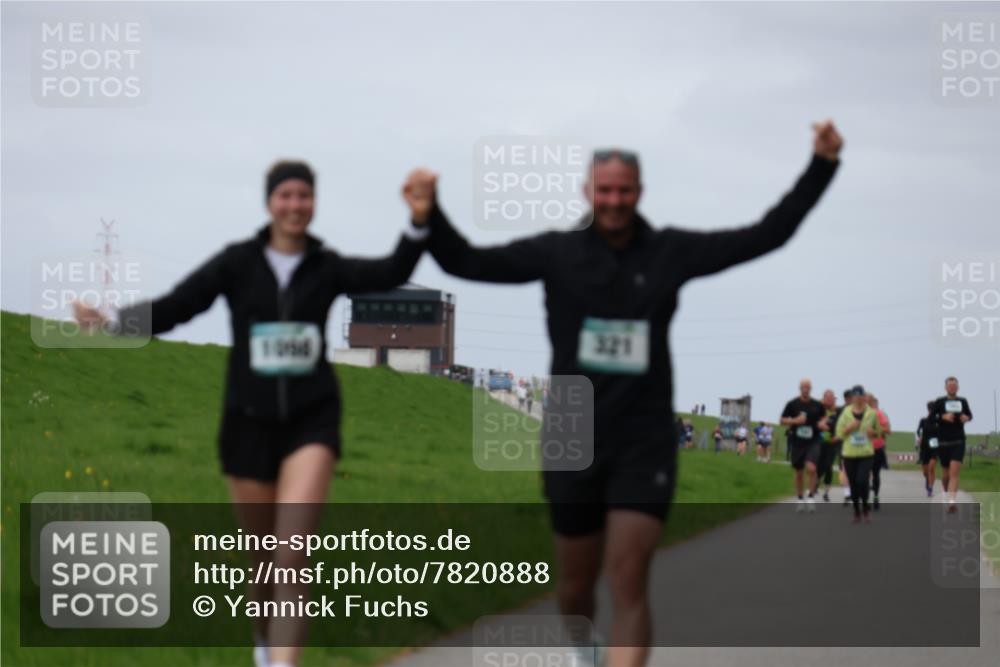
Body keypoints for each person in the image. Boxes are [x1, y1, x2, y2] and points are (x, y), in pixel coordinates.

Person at [407, 121, 842, 665]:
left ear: (639, 193)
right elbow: (466, 261)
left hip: (644, 435)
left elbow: (766, 233)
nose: (614, 201)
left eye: (625, 191)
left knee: (628, 575)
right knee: (574, 585)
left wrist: (822, 166)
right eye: (605, 190)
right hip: (573, 427)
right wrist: (429, 214)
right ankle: (582, 647)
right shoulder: (555, 254)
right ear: (588, 191)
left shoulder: (669, 253)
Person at [74, 161, 429, 667]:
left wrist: (418, 223)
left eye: (304, 195)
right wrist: (112, 323)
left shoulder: (327, 266)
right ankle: (265, 649)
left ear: (314, 203)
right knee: (262, 567)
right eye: (285, 195)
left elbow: (389, 272)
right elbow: (179, 305)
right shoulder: (237, 263)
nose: (295, 205)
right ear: (269, 203)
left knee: (292, 557)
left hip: (312, 421)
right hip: (247, 423)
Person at [780, 378, 827, 513]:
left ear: (810, 389)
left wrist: (822, 423)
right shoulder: (792, 404)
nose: (805, 389)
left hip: (813, 441)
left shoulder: (817, 405)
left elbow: (824, 417)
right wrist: (795, 420)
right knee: (799, 471)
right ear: (800, 388)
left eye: (808, 387)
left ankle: (811, 497)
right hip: (797, 442)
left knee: (811, 468)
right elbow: (782, 420)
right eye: (803, 387)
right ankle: (800, 499)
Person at [837, 385, 882, 523]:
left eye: (860, 396)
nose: (858, 398)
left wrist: (872, 433)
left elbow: (879, 432)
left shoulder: (872, 413)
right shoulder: (846, 413)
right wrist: (849, 428)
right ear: (852, 398)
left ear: (864, 397)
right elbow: (839, 433)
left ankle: (866, 508)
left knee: (862, 481)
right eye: (855, 396)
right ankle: (857, 510)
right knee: (853, 484)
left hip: (866, 454)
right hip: (849, 454)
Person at [932, 376, 974, 513]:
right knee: (945, 475)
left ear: (958, 387)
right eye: (950, 385)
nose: (952, 388)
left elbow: (970, 415)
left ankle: (951, 502)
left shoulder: (962, 401)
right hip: (944, 441)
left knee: (954, 471)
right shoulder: (939, 402)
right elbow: (931, 418)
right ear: (946, 388)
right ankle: (945, 493)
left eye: (954, 385)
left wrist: (966, 418)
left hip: (958, 441)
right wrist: (942, 417)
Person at [866, 394, 891, 510]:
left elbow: (887, 429)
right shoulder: (856, 413)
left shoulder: (879, 413)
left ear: (871, 401)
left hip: (876, 448)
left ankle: (875, 496)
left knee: (875, 474)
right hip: (861, 449)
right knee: (863, 475)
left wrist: (875, 432)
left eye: (867, 400)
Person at [815, 389, 840, 502]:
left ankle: (825, 492)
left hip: (832, 442)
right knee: (819, 464)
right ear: (824, 398)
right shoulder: (818, 409)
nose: (830, 400)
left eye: (832, 398)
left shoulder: (838, 411)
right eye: (827, 397)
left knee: (828, 465)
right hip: (819, 441)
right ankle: (816, 482)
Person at [916, 400, 938, 497]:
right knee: (925, 471)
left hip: (934, 446)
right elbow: (918, 431)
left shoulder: (938, 421)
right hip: (924, 447)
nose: (931, 411)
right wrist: (920, 438)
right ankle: (927, 480)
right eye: (930, 409)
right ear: (928, 410)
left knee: (931, 468)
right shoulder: (923, 420)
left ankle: (930, 488)